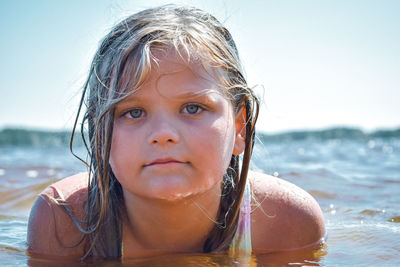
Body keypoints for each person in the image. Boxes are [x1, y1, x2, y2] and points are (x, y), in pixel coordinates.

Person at [27, 5, 325, 261]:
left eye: (193, 108)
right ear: (100, 136)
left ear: (238, 129)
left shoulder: (284, 222)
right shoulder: (64, 222)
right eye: (133, 112)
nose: (163, 134)